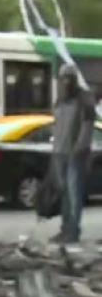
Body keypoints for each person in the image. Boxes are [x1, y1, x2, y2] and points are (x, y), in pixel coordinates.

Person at [51, 64, 96, 244]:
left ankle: (73, 231)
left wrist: (78, 149)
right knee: (64, 193)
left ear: (75, 78)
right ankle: (64, 229)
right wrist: (54, 150)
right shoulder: (59, 100)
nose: (66, 81)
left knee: (74, 194)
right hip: (59, 153)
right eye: (63, 77)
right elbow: (56, 126)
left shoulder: (84, 99)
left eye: (69, 77)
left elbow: (88, 126)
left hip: (76, 154)